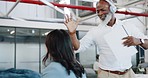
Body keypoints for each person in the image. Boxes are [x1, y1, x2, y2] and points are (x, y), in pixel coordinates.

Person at [64, 0, 148, 78]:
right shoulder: (95, 31)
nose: (100, 13)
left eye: (103, 10)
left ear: (112, 9)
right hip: (107, 74)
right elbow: (78, 47)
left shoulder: (128, 26)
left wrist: (140, 41)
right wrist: (72, 33)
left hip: (128, 74)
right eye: (97, 11)